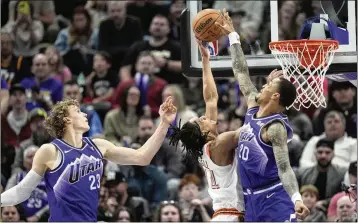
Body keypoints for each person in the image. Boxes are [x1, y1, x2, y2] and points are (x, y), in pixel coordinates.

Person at [1, 97, 177, 222]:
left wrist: (164, 124)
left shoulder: (98, 145)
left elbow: (142, 157)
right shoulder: (50, 150)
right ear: (66, 119)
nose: (85, 114)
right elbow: (23, 191)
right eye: (78, 111)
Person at [214, 9, 310, 221]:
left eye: (269, 84)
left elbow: (285, 169)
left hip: (274, 198)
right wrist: (233, 36)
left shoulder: (274, 128)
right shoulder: (253, 105)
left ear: (275, 96)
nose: (264, 84)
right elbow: (240, 71)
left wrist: (297, 198)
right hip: (251, 199)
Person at [168, 40, 247, 221]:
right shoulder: (218, 144)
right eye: (201, 120)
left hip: (225, 214)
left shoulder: (208, 146)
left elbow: (210, 98)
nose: (204, 117)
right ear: (203, 133)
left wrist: (205, 61)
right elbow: (248, 130)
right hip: (230, 216)